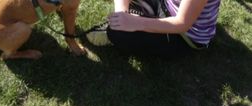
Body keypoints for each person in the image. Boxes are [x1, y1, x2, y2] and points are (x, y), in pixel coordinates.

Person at [85, 0, 226, 56]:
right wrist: (121, 14)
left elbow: (182, 24)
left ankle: (116, 31)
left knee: (119, 34)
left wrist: (135, 23)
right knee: (121, 24)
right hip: (167, 7)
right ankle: (124, 20)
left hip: (185, 36)